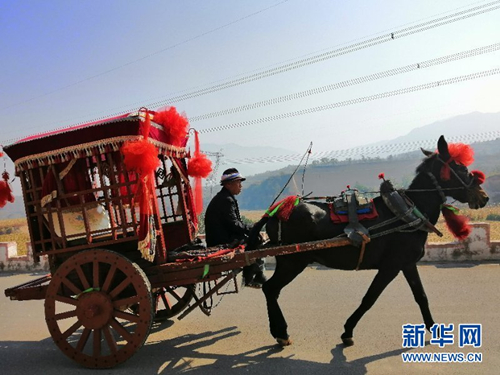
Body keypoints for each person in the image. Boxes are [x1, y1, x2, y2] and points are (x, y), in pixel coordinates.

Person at [204, 168, 267, 288]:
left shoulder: (225, 198)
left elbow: (235, 224)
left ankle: (256, 275)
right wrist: (252, 228)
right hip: (221, 241)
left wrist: (250, 229)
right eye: (238, 183)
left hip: (223, 236)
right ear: (228, 184)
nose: (240, 186)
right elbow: (234, 224)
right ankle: (251, 277)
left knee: (253, 236)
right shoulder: (226, 200)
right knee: (255, 239)